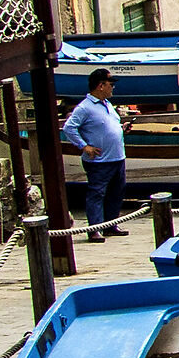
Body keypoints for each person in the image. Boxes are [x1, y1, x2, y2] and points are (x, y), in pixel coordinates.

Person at [59, 67, 128, 240]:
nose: (113, 87)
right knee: (97, 193)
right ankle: (95, 229)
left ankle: (110, 224)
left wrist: (121, 129)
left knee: (116, 192)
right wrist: (84, 146)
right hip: (99, 160)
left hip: (117, 157)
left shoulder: (108, 104)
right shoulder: (85, 107)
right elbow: (69, 127)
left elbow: (105, 126)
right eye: (110, 84)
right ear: (100, 86)